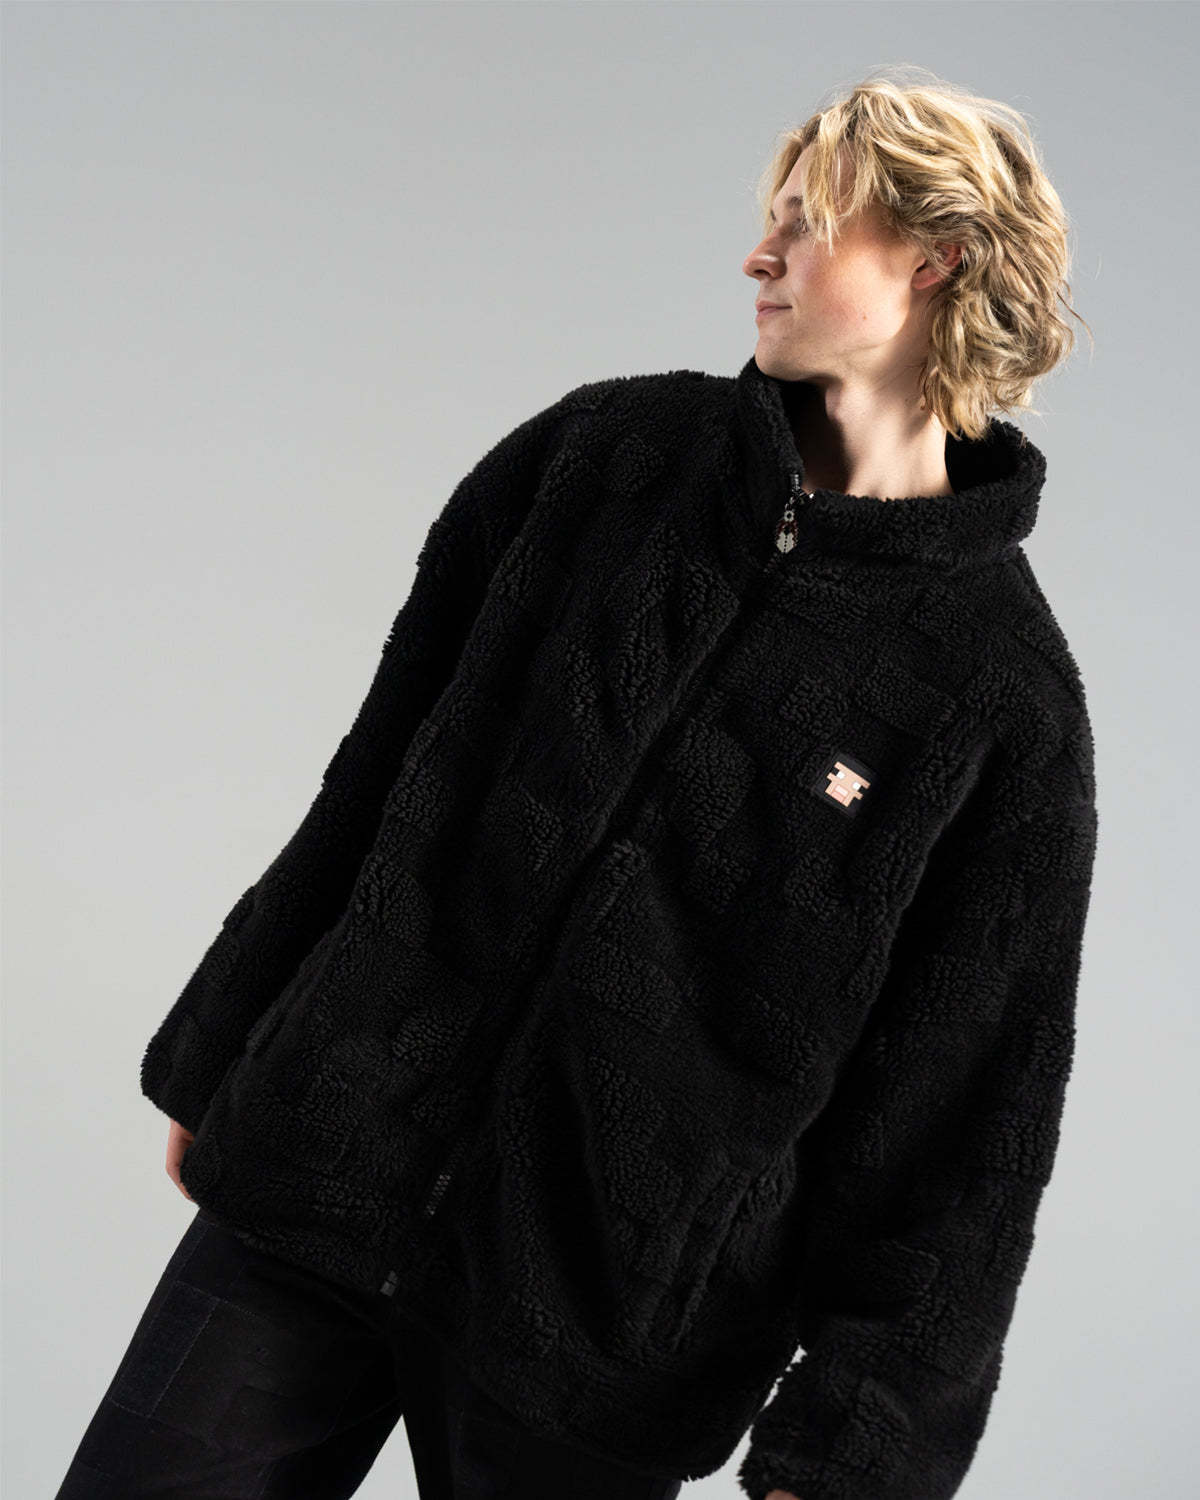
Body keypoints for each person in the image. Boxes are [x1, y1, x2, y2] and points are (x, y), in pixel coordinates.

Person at [56, 69, 1098, 1500]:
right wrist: (234, 1038)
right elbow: (378, 772)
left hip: (605, 1331)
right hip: (329, 1166)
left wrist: (857, 1445)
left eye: (809, 223)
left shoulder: (1001, 701)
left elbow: (967, 1117)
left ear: (938, 259)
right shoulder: (598, 463)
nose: (760, 253)